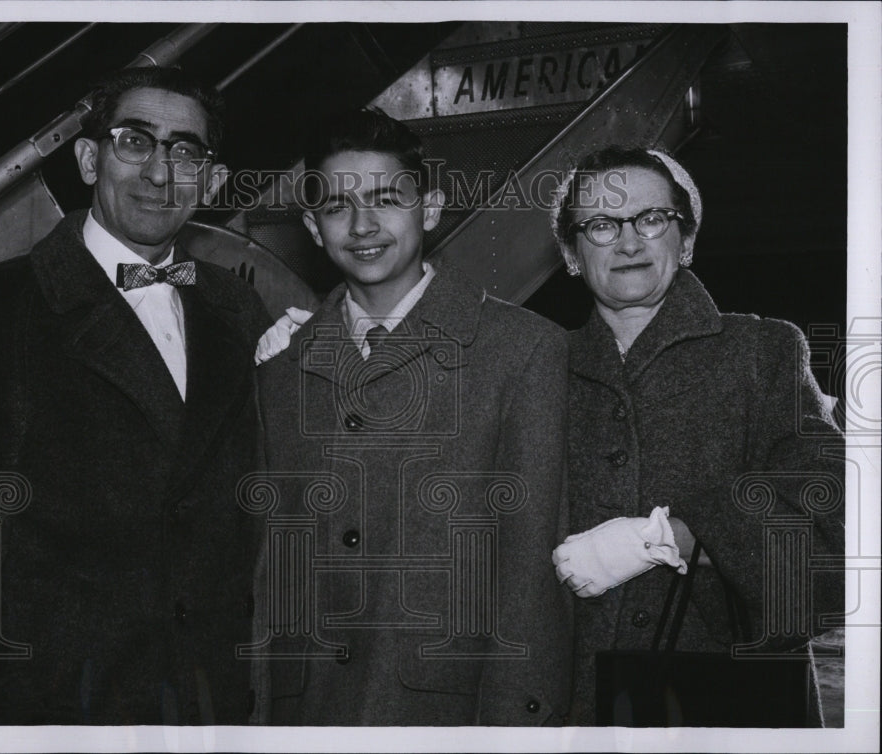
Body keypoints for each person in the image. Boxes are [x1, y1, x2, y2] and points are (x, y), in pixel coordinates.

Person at [0, 66, 271, 724]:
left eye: (185, 150)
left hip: (208, 710)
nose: (160, 173)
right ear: (86, 157)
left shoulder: (237, 308)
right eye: (136, 141)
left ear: (211, 181)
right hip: (57, 715)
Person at [247, 108, 571, 725]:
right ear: (314, 229)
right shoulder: (282, 370)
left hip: (445, 720)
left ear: (429, 208)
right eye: (338, 207)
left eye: (384, 200)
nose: (363, 226)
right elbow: (271, 575)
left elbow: (529, 578)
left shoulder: (521, 350)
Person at [547, 146, 845, 725]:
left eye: (651, 219)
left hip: (726, 697)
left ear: (684, 240)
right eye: (602, 224)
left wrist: (674, 536)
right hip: (569, 701)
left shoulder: (762, 353)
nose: (629, 242)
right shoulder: (537, 365)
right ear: (571, 253)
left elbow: (836, 514)